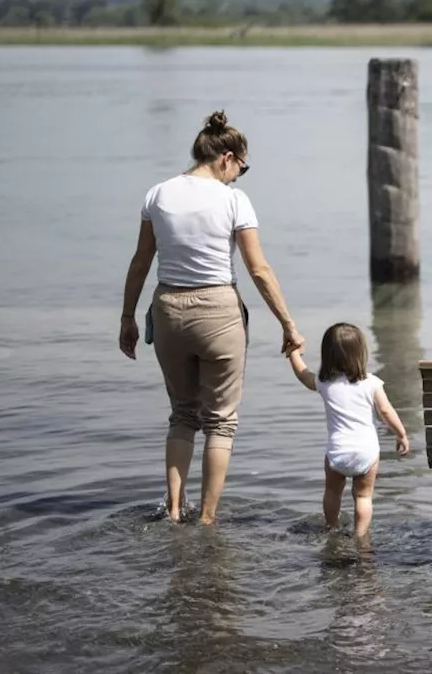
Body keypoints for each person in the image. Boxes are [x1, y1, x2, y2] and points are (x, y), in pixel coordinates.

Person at [119, 110, 304, 524]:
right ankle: (206, 517)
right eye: (241, 166)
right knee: (220, 423)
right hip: (219, 312)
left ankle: (172, 510)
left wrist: (127, 317)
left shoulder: (158, 194)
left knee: (183, 414)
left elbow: (140, 262)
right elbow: (259, 270)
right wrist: (288, 324)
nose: (239, 176)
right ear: (226, 157)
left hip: (168, 310)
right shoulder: (233, 200)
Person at [287, 323, 409, 538]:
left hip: (338, 451)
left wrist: (293, 353)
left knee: (332, 492)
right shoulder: (371, 383)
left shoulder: (324, 383)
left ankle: (331, 528)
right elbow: (386, 411)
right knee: (363, 497)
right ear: (361, 352)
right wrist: (401, 434)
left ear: (327, 354)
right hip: (366, 453)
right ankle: (361, 536)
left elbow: (303, 374)